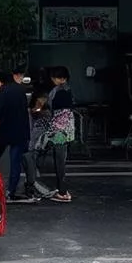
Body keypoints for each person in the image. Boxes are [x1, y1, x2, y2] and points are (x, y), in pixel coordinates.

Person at [0, 72, 30, 202]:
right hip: (21, 131)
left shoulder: (1, 94)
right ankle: (11, 191)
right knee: (15, 162)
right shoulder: (19, 89)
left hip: (5, 131)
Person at [46, 66, 76, 203]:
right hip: (66, 131)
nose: (54, 80)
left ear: (62, 78)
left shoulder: (60, 92)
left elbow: (55, 111)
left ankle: (62, 192)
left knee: (59, 161)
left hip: (60, 132)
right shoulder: (67, 90)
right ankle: (61, 189)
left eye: (56, 77)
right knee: (60, 160)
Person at [21, 91, 52, 202]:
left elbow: (47, 118)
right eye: (41, 98)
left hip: (41, 136)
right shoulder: (31, 109)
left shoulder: (46, 110)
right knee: (31, 161)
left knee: (35, 161)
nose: (43, 101)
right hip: (33, 137)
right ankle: (30, 185)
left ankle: (32, 185)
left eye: (44, 98)